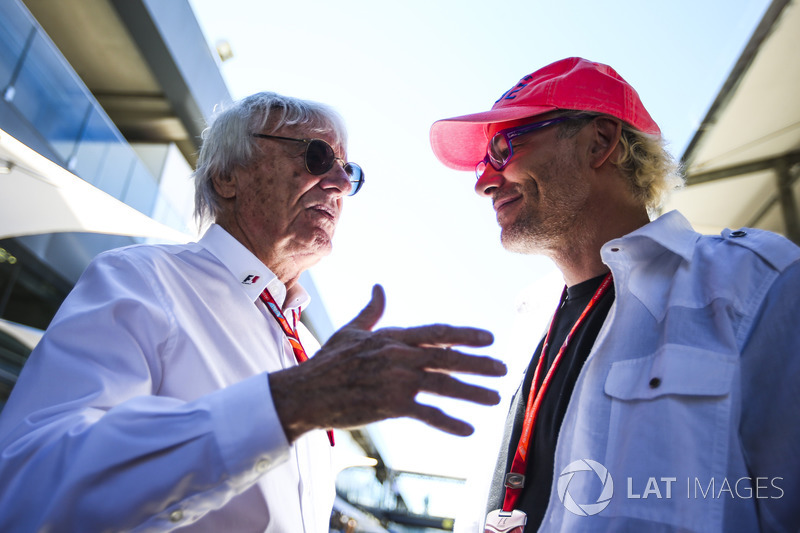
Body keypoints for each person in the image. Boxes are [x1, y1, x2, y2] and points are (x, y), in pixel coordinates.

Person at [0, 92, 507, 532]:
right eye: (315, 156)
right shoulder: (141, 280)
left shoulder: (309, 350)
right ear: (226, 178)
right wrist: (288, 403)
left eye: (348, 171)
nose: (338, 182)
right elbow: (27, 489)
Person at [430, 57, 800, 532]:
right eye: (483, 160)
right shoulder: (524, 329)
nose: (483, 181)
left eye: (502, 148)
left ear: (599, 142)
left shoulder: (753, 282)